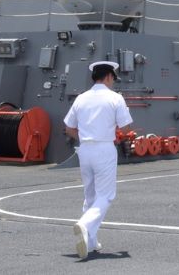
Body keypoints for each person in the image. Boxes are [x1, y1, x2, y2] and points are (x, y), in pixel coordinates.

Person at [62, 60, 134, 259]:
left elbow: (68, 128)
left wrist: (85, 138)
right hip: (104, 148)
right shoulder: (115, 98)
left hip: (84, 149)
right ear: (109, 76)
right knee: (106, 195)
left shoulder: (81, 98)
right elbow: (126, 127)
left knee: (90, 195)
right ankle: (84, 224)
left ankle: (91, 240)